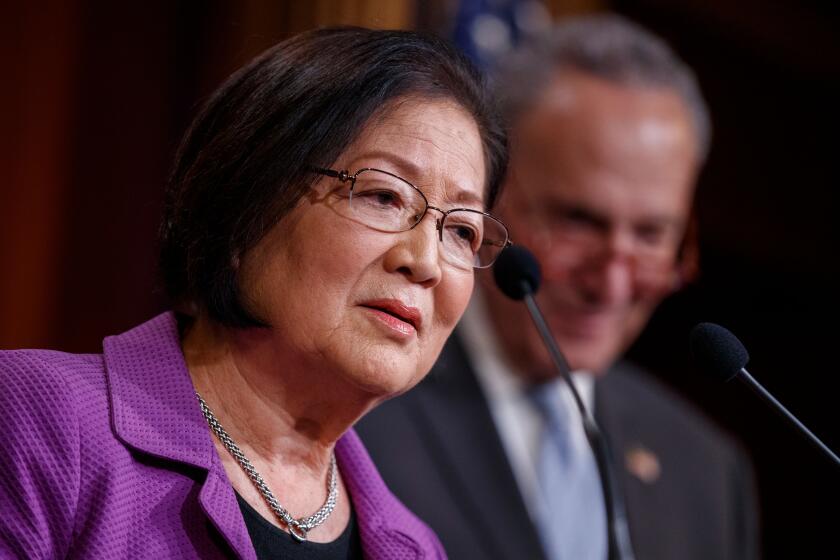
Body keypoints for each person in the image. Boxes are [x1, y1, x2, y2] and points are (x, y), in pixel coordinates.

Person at [0, 27, 510, 559]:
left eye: (461, 231)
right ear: (247, 208)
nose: (425, 262)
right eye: (383, 195)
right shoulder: (38, 421)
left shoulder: (415, 549)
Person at [357, 14, 759, 560]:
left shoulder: (708, 473)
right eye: (579, 221)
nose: (613, 282)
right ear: (488, 199)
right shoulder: (362, 404)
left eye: (651, 234)